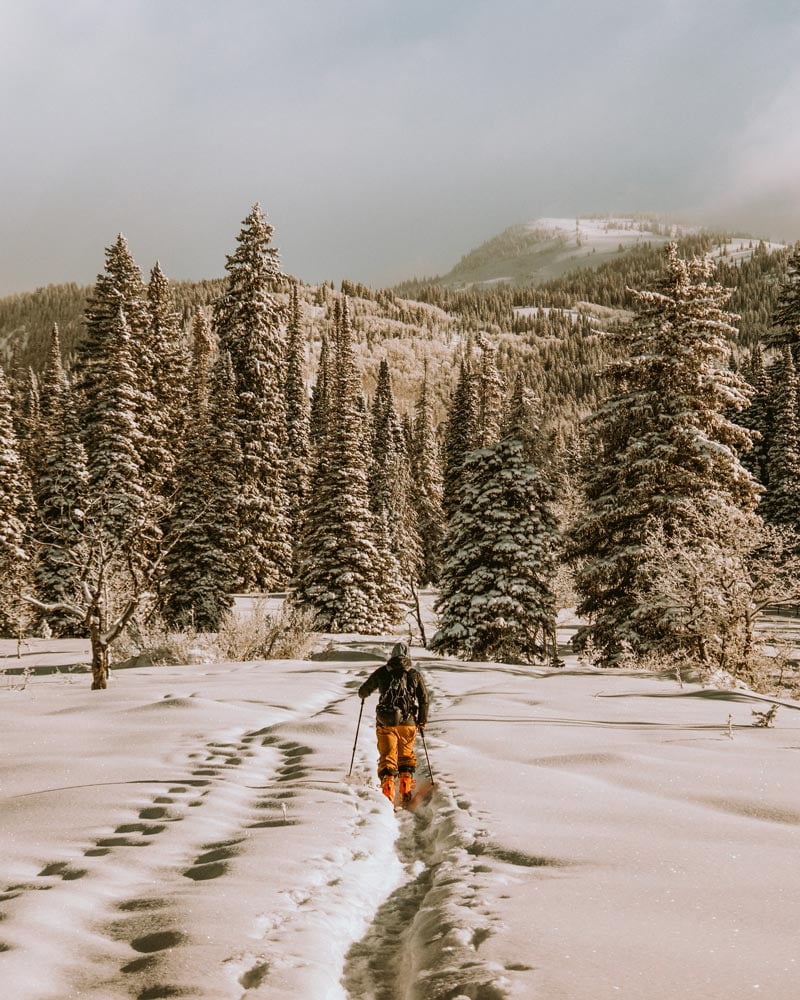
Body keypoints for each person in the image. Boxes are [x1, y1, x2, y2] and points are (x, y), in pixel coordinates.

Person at [358, 641, 429, 804]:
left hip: (385, 721)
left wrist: (364, 695)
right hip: (408, 723)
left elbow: (363, 691)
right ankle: (405, 789)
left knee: (388, 757)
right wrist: (422, 720)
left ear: (392, 656)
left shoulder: (383, 672)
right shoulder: (414, 674)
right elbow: (424, 699)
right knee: (405, 756)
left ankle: (388, 794)